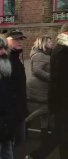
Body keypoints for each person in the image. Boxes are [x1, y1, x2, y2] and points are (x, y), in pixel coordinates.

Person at [25, 36, 57, 159]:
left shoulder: (47, 54)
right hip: (37, 86)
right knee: (46, 108)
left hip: (44, 86)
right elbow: (37, 71)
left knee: (46, 109)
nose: (51, 42)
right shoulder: (39, 55)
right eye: (49, 41)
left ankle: (44, 133)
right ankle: (26, 122)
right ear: (43, 43)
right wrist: (52, 77)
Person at [48, 24, 68, 159]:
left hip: (62, 100)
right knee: (62, 135)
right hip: (62, 101)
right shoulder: (62, 50)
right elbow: (57, 80)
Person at [6, 30, 28, 146]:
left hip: (19, 107)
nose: (19, 41)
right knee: (12, 144)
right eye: (16, 39)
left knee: (19, 143)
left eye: (21, 39)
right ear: (7, 40)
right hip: (12, 109)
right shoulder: (6, 58)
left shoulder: (16, 56)